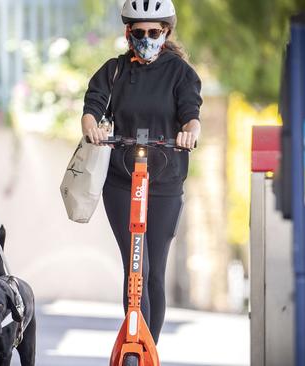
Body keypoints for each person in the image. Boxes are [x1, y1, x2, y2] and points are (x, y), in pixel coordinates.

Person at [82, 0, 202, 344]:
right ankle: (135, 344)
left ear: (166, 32)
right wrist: (92, 127)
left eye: (154, 32)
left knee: (154, 274)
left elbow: (191, 112)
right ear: (127, 33)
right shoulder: (114, 70)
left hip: (165, 180)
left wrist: (189, 131)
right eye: (139, 32)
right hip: (122, 179)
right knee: (137, 267)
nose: (146, 38)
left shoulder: (181, 73)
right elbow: (92, 107)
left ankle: (149, 349)